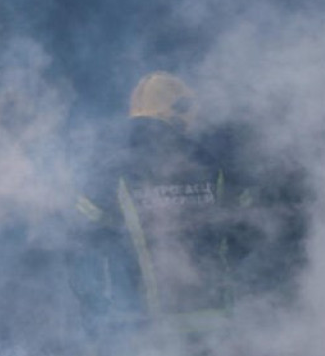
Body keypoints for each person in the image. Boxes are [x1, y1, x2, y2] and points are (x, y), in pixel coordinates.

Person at [70, 72, 252, 341]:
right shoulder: (211, 161)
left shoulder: (110, 164)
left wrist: (98, 310)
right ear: (178, 107)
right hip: (213, 323)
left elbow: (80, 239)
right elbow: (246, 228)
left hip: (138, 327)